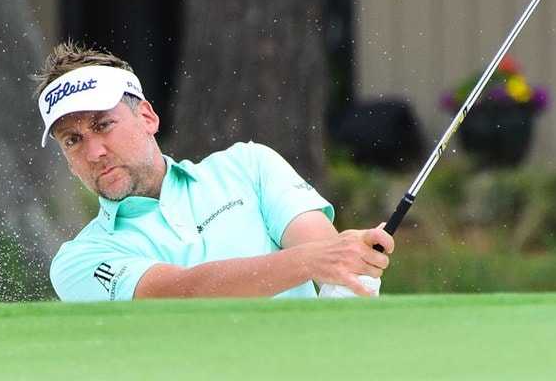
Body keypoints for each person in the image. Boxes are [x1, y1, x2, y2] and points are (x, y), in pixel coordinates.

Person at [34, 41, 393, 301]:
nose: (94, 151)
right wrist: (314, 261)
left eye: (102, 125)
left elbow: (326, 252)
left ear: (147, 117)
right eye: (73, 140)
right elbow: (183, 294)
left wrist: (352, 263)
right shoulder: (80, 260)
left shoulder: (249, 166)